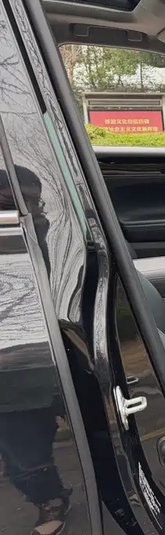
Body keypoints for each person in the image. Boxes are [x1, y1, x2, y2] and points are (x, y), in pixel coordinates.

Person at [0, 164, 69, 535]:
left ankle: (50, 494)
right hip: (15, 362)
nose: (32, 211)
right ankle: (46, 495)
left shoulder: (52, 233)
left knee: (27, 442)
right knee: (22, 445)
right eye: (13, 203)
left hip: (52, 346)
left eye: (36, 202)